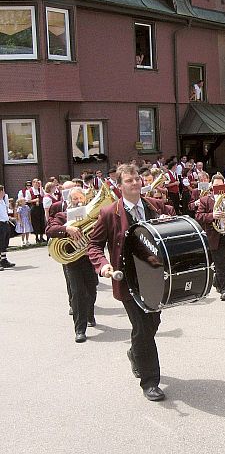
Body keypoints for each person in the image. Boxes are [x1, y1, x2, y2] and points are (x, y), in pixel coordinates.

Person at [88, 164, 173, 401]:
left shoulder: (154, 206)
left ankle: (135, 352)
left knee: (152, 323)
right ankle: (150, 382)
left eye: (137, 178)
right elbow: (93, 245)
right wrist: (103, 264)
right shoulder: (109, 213)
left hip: (154, 279)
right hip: (127, 281)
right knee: (144, 328)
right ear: (120, 185)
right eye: (129, 180)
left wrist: (168, 220)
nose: (135, 183)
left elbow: (170, 229)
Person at [46, 187, 98, 343]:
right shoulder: (62, 216)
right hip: (72, 260)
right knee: (77, 293)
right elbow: (49, 229)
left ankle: (89, 314)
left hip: (89, 258)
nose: (78, 201)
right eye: (74, 199)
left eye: (80, 198)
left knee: (91, 289)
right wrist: (67, 228)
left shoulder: (91, 215)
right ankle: (80, 329)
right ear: (69, 201)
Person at [196, 174, 225, 301]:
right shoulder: (206, 200)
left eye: (221, 185)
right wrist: (212, 215)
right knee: (221, 264)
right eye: (216, 185)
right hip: (214, 236)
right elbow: (199, 216)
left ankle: (218, 279)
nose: (219, 187)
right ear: (212, 186)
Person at [25, 178, 46, 243]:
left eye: (38, 183)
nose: (37, 184)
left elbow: (43, 195)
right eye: (36, 183)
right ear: (33, 183)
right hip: (34, 207)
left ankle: (41, 237)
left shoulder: (41, 189)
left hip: (41, 207)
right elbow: (27, 200)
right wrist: (34, 200)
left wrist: (41, 187)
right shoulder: (29, 191)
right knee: (35, 222)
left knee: (42, 222)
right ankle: (36, 237)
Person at [0, 185, 15, 271]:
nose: (4, 193)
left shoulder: (2, 201)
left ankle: (4, 260)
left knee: (5, 243)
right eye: (3, 191)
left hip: (5, 223)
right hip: (0, 224)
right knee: (1, 242)